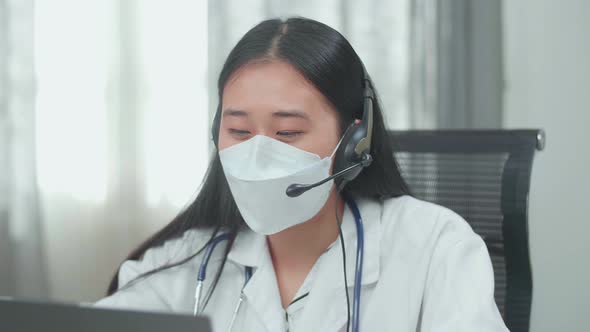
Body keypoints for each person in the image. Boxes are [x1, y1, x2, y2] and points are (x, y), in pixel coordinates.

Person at [96, 17, 508, 332]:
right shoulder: (186, 261)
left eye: (287, 133)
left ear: (354, 139)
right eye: (238, 131)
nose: (257, 155)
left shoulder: (435, 247)